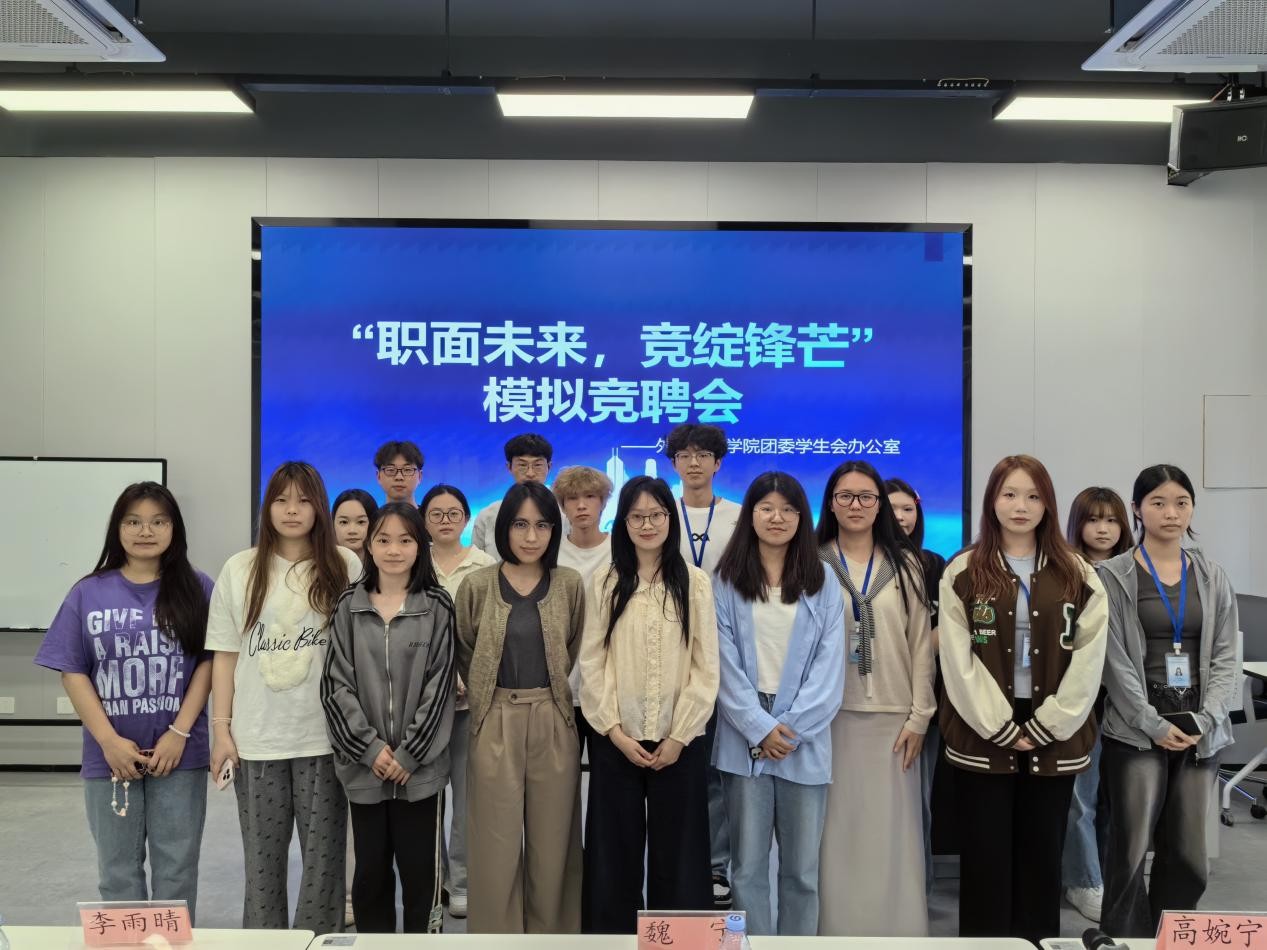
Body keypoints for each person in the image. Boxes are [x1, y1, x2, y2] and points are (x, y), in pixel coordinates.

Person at [939, 455, 1108, 943]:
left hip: (1055, 730)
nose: (1021, 506)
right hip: (981, 726)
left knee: (1041, 858)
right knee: (985, 860)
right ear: (992, 500)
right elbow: (956, 658)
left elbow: (1089, 657)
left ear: (1048, 504)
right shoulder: (963, 570)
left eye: (1033, 496)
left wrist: (1048, 723)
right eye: (1009, 494)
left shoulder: (1076, 571)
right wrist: (997, 724)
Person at [34, 483, 214, 917]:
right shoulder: (87, 592)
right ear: (117, 528)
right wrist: (109, 742)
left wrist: (178, 733)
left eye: (158, 521)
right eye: (133, 521)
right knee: (117, 873)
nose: (145, 531)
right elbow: (72, 670)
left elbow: (210, 664)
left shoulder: (198, 587)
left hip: (179, 755)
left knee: (177, 870)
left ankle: (169, 946)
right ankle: (127, 946)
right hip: (110, 758)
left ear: (174, 528)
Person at [207, 461, 362, 932]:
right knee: (262, 866)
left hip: (324, 739)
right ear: (267, 507)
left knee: (324, 866)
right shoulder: (240, 568)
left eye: (303, 500)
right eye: (281, 499)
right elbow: (225, 655)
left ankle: (319, 940)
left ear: (319, 507)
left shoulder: (345, 565)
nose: (292, 510)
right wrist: (221, 730)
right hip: (257, 740)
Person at [1099, 465, 1240, 938]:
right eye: (1158, 503)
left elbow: (1226, 654)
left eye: (1182, 502)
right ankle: (1125, 941)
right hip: (1135, 727)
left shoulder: (1212, 575)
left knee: (1187, 852)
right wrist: (1151, 722)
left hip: (1200, 726)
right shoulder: (1111, 576)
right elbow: (1112, 661)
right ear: (1137, 509)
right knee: (1130, 848)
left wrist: (1208, 717)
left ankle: (1174, 939)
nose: (1171, 513)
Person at [579, 475, 719, 932]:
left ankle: (680, 939)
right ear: (622, 522)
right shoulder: (604, 581)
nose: (647, 524)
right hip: (616, 738)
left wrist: (680, 736)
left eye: (656, 515)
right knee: (612, 853)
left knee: (681, 854)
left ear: (669, 519)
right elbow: (592, 662)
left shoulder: (695, 583)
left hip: (680, 740)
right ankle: (611, 939)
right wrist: (613, 731)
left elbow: (705, 666)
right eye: (636, 516)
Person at [712, 472, 845, 936]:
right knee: (746, 867)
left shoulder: (823, 580)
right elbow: (722, 663)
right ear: (750, 515)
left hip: (802, 735)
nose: (777, 517)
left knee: (802, 871)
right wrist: (758, 727)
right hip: (743, 731)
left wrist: (788, 729)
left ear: (802, 517)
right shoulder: (725, 580)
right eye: (766, 508)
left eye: (789, 509)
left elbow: (830, 666)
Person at [453, 481, 584, 933]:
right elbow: (466, 650)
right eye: (521, 525)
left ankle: (554, 938)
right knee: (495, 846)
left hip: (553, 718)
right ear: (504, 528)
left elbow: (571, 646)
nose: (531, 537)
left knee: (554, 845)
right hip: (494, 719)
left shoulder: (569, 584)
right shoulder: (476, 585)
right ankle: (497, 939)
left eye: (542, 525)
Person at [322, 503, 456, 934]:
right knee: (370, 878)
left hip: (421, 774)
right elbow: (335, 686)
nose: (394, 550)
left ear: (420, 546)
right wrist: (370, 749)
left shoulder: (437, 605)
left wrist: (410, 754)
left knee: (422, 879)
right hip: (366, 770)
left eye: (405, 540)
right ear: (369, 544)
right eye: (383, 540)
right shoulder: (348, 605)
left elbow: (440, 687)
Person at [816, 462, 935, 936]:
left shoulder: (905, 564)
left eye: (866, 497)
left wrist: (920, 716)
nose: (856, 505)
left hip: (894, 720)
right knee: (836, 833)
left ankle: (897, 933)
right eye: (845, 496)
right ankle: (834, 933)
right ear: (830, 503)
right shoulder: (814, 561)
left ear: (879, 504)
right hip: (829, 718)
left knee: (891, 835)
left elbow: (921, 644)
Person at [667, 422, 740, 907]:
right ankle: (672, 861)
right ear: (674, 462)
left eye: (703, 455)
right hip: (670, 657)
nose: (694, 462)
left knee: (715, 770)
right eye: (685, 455)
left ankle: (715, 866)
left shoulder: (739, 517)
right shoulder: (657, 513)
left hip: (728, 656)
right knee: (674, 765)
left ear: (718, 462)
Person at [421, 483, 495, 921]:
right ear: (424, 520)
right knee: (427, 795)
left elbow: (490, 636)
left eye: (453, 513)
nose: (445, 520)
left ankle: (462, 881)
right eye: (436, 513)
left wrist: (467, 678)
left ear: (466, 519)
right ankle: (435, 879)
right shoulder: (413, 562)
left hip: (472, 704)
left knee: (467, 797)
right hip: (423, 706)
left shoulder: (485, 566)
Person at [1062, 486, 1133, 922]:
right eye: (1093, 519)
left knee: (1119, 799)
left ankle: (1109, 875)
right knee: (1081, 797)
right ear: (1078, 524)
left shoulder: (1135, 571)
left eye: (1111, 520)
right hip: (1082, 699)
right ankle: (1083, 880)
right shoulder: (1065, 570)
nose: (1103, 529)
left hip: (1127, 702)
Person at [884, 476, 948, 901]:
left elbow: (948, 625)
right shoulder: (853, 562)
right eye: (892, 508)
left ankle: (916, 891)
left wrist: (911, 654)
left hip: (923, 699)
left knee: (917, 798)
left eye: (908, 509)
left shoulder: (933, 564)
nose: (901, 517)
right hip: (869, 696)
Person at [553, 465, 614, 758]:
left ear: (603, 501)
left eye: (590, 496)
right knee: (560, 777)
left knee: (607, 777)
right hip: (561, 687)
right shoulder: (550, 554)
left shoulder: (621, 551)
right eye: (572, 498)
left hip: (608, 688)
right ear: (562, 505)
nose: (581, 505)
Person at [470, 433, 554, 559]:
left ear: (549, 467)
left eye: (537, 465)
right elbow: (476, 563)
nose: (530, 473)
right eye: (522, 465)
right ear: (509, 467)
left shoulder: (565, 515)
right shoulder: (488, 515)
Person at [332, 488, 379, 566]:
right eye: (344, 522)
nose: (352, 530)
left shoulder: (385, 568)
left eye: (361, 522)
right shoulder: (319, 568)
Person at [375, 440, 425, 506]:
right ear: (378, 477)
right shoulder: (369, 513)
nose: (399, 477)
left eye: (407, 470)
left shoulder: (429, 513)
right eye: (391, 470)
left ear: (420, 476)